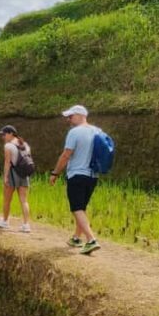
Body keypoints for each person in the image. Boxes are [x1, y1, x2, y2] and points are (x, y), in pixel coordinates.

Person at [50, 105, 101, 255]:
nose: (69, 119)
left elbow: (66, 155)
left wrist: (55, 173)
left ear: (80, 115)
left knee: (76, 208)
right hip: (93, 176)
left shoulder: (75, 132)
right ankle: (76, 238)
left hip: (77, 174)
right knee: (82, 207)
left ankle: (91, 240)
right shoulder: (97, 131)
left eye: (71, 116)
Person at [0, 125, 31, 232]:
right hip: (24, 174)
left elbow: (7, 163)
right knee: (24, 200)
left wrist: (5, 177)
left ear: (11, 133)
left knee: (7, 199)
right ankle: (26, 225)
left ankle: (5, 221)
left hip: (12, 173)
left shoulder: (8, 146)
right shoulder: (25, 144)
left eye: (4, 134)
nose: (3, 137)